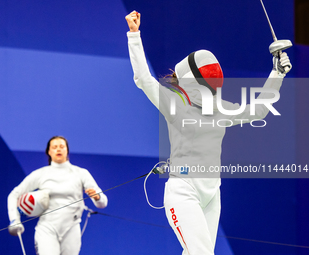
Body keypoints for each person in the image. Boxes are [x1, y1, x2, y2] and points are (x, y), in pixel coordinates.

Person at [125, 11, 291, 255]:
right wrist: (134, 35)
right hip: (183, 191)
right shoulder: (174, 104)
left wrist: (277, 73)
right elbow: (143, 79)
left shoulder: (221, 110)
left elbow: (259, 111)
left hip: (213, 192)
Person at [7, 136, 108, 255]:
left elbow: (103, 203)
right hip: (47, 228)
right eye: (54, 147)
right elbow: (14, 194)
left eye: (62, 147)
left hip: (72, 228)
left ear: (67, 150)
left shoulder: (81, 173)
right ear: (49, 152)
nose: (58, 150)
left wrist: (97, 197)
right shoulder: (41, 174)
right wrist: (14, 219)